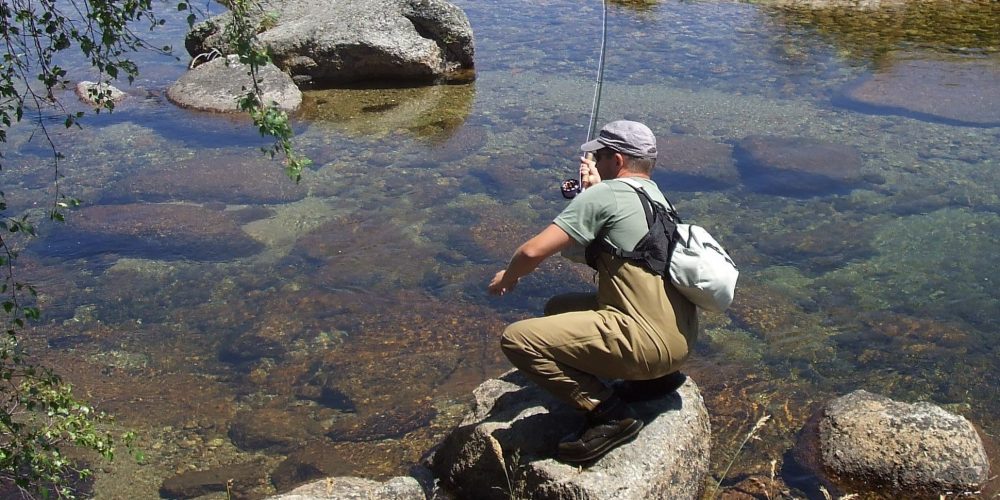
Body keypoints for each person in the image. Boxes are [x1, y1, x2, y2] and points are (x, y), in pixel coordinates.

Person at [487, 120, 699, 463]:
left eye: (598, 155)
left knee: (517, 339)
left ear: (616, 160)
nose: (594, 161)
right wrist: (590, 195)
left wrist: (508, 277)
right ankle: (651, 382)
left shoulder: (607, 194)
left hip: (647, 343)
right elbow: (591, 254)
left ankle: (609, 413)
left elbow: (533, 252)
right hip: (680, 341)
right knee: (559, 307)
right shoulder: (660, 200)